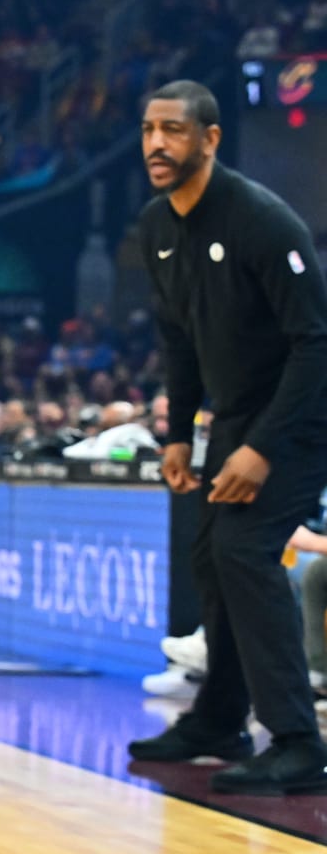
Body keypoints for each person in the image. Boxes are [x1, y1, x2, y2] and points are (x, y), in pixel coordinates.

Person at [127, 80, 327, 794]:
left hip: (302, 410)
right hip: (237, 414)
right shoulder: (156, 228)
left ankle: (300, 741)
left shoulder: (262, 222)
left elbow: (315, 345)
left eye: (174, 130)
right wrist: (180, 433)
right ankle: (217, 720)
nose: (157, 143)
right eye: (149, 129)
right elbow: (179, 340)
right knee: (213, 554)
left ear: (209, 140)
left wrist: (262, 447)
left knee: (244, 549)